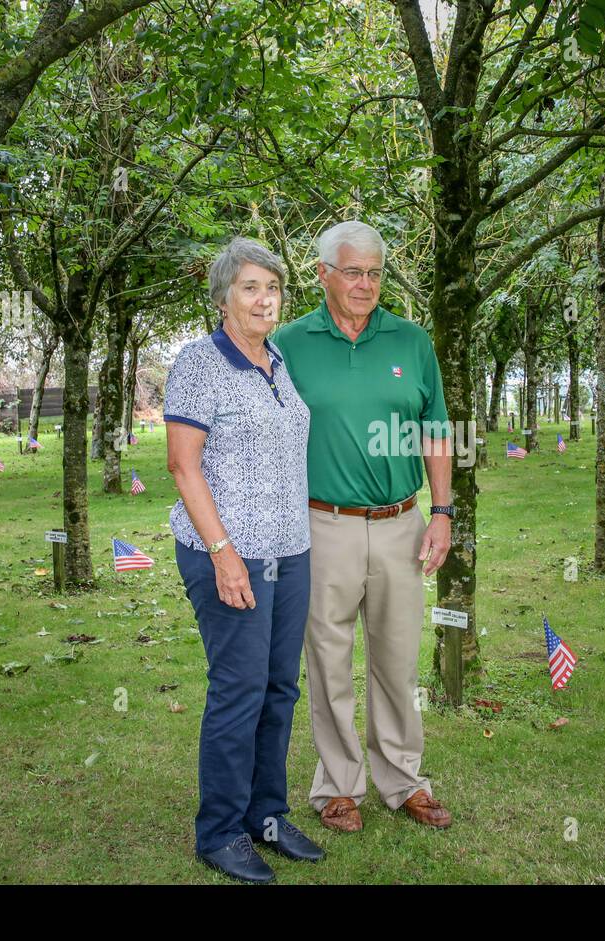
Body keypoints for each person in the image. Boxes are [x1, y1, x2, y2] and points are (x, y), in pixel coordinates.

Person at [272, 220, 455, 833]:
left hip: (403, 521)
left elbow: (435, 431)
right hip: (323, 525)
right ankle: (337, 786)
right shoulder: (289, 343)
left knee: (398, 659)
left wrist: (443, 512)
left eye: (375, 272)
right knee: (327, 660)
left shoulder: (411, 341)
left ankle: (404, 781)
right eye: (353, 271)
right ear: (321, 273)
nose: (366, 283)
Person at [164, 237, 323, 884]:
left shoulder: (276, 359)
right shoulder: (200, 363)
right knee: (239, 690)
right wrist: (225, 554)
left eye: (273, 288)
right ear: (224, 297)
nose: (265, 299)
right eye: (252, 287)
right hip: (230, 553)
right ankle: (221, 831)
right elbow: (183, 465)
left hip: (291, 552)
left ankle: (266, 816)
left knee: (281, 687)